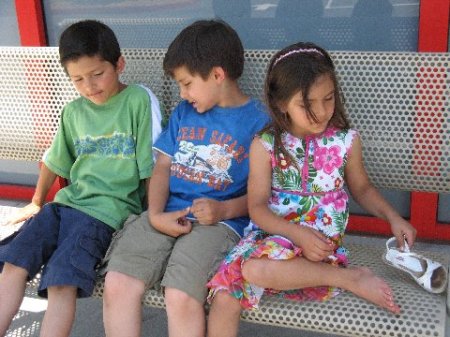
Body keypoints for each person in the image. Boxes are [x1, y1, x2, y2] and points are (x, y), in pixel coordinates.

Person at [206, 41, 417, 337]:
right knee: (230, 291)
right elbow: (256, 207)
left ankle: (345, 276)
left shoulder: (346, 141)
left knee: (255, 270)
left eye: (328, 99)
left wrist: (394, 218)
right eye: (307, 104)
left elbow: (363, 188)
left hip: (320, 244)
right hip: (274, 234)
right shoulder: (264, 145)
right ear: (281, 104)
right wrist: (295, 233)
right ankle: (347, 279)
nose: (321, 112)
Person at [101, 19, 270, 337]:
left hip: (218, 224)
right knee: (118, 281)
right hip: (168, 211)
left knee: (180, 295)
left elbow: (265, 195)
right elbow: (162, 167)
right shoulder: (183, 113)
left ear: (217, 75)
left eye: (187, 83)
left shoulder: (258, 123)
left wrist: (224, 211)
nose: (182, 93)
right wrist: (155, 213)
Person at [0, 19, 162, 337]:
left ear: (119, 64)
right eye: (78, 80)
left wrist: (150, 217)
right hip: (62, 207)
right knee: (13, 265)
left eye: (97, 74)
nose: (89, 86)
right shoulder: (73, 112)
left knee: (62, 281)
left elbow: (152, 167)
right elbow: (54, 160)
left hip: (103, 215)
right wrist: (36, 202)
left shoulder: (137, 102)